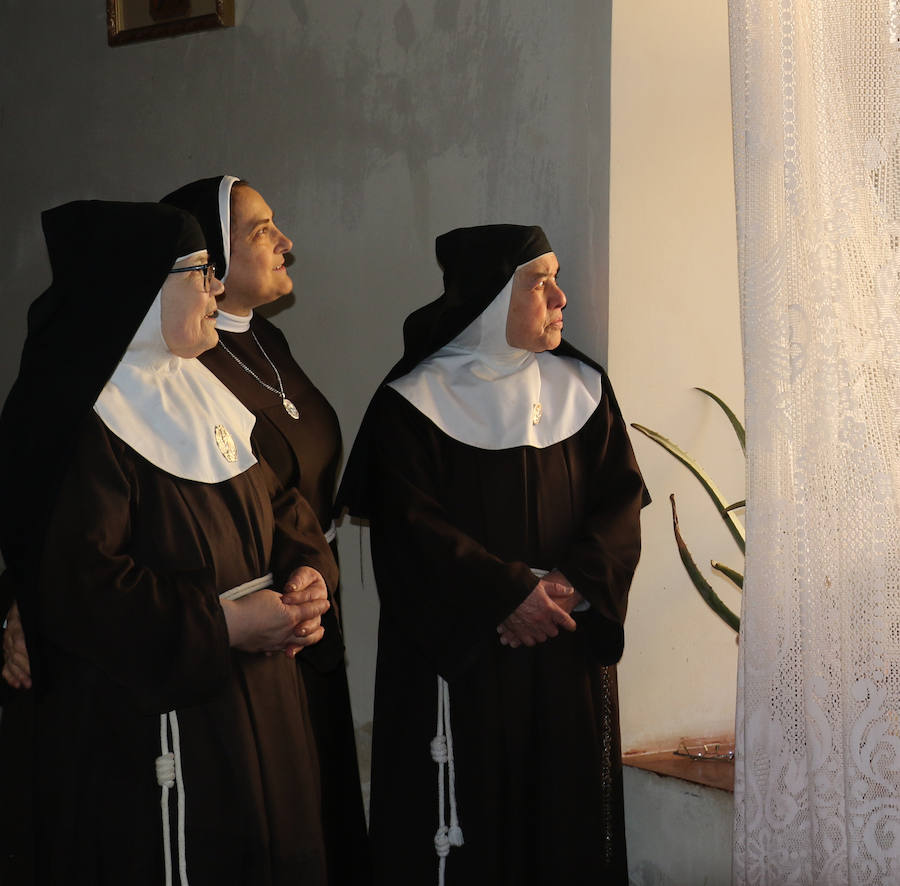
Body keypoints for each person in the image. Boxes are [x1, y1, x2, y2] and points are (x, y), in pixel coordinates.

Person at [0, 200, 337, 885]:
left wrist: (309, 575)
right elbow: (82, 585)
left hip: (260, 699)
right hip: (154, 724)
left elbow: (282, 509)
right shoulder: (84, 419)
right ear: (142, 288)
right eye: (201, 272)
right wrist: (224, 624)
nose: (216, 288)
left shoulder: (206, 390)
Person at [336, 224, 648, 886]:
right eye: (540, 283)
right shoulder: (412, 404)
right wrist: (508, 597)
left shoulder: (585, 388)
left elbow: (619, 508)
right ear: (491, 296)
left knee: (564, 834)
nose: (561, 297)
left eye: (556, 280)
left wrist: (568, 586)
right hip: (463, 664)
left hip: (563, 650)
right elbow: (411, 533)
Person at [161, 175, 370, 886]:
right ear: (213, 258)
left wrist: (315, 574)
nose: (286, 243)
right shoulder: (186, 363)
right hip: (250, 627)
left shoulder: (268, 339)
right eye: (261, 229)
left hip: (307, 603)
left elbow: (297, 490)